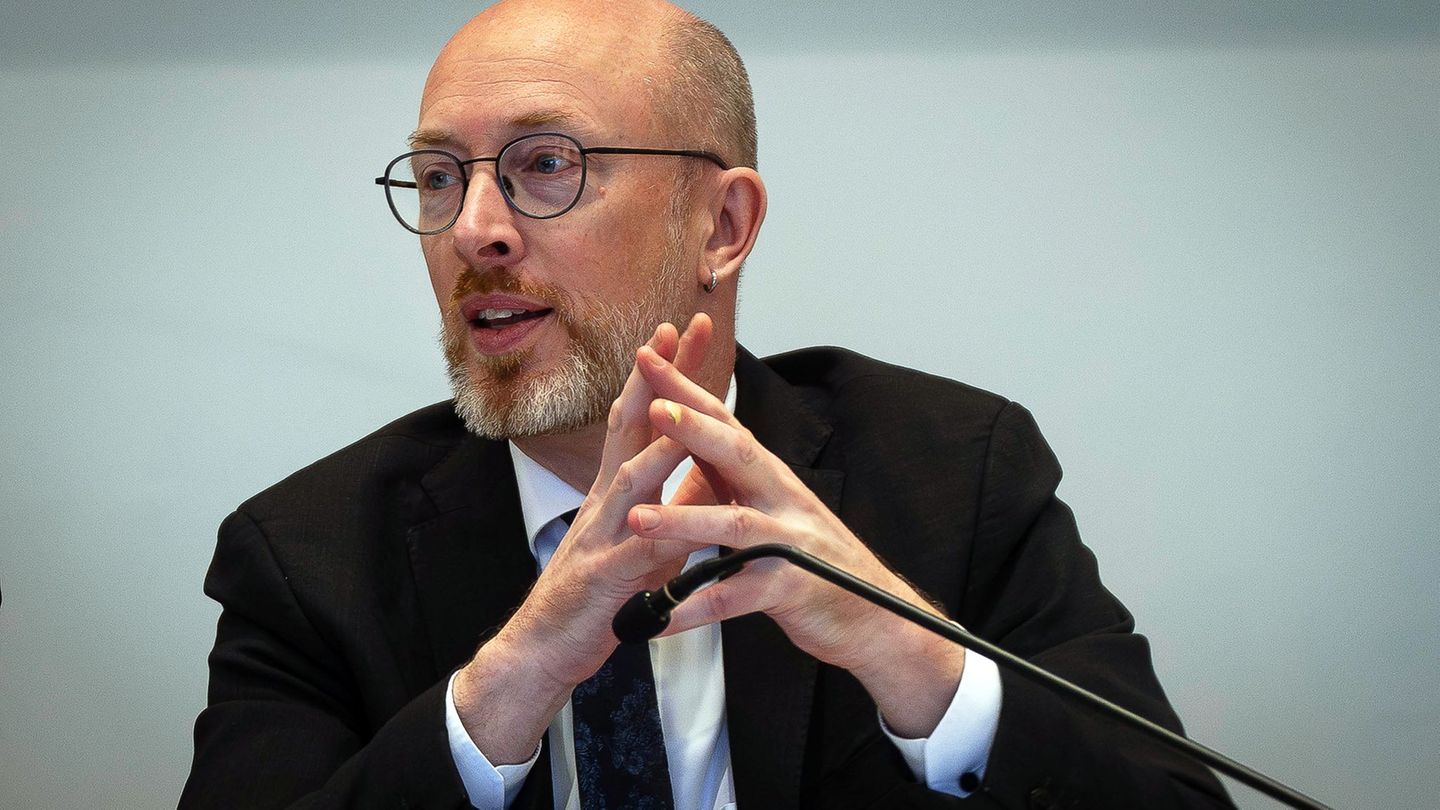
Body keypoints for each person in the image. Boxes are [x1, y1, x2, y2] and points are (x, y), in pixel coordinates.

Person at [183, 1, 1233, 808]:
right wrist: (516, 676)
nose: (476, 231)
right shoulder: (306, 556)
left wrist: (904, 650)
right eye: (441, 175)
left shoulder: (956, 475)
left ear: (721, 226)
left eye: (545, 165)